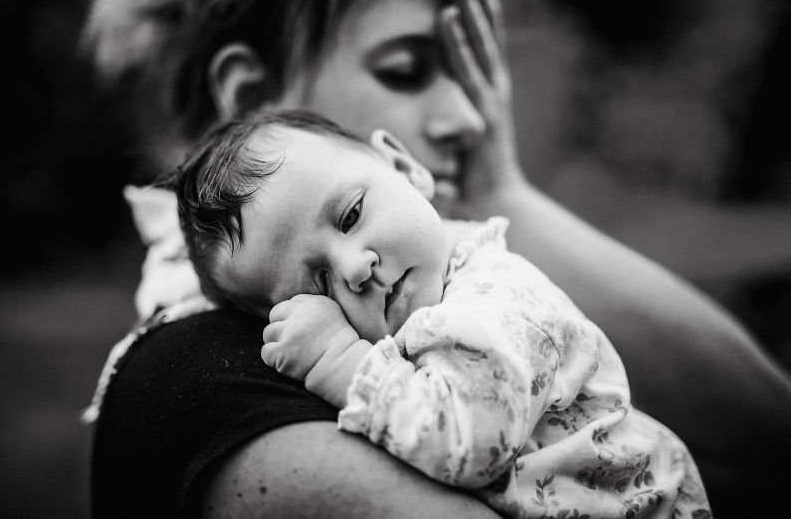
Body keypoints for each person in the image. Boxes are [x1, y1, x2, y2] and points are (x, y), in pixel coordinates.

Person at [83, 0, 791, 516]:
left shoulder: (440, 278)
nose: (470, 116)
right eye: (407, 68)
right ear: (256, 101)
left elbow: (765, 431)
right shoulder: (207, 380)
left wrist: (499, 189)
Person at [168, 108, 712, 518]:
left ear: (406, 168)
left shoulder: (495, 301)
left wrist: (342, 360)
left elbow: (472, 444)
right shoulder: (425, 303)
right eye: (319, 283)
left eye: (351, 215)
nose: (356, 268)